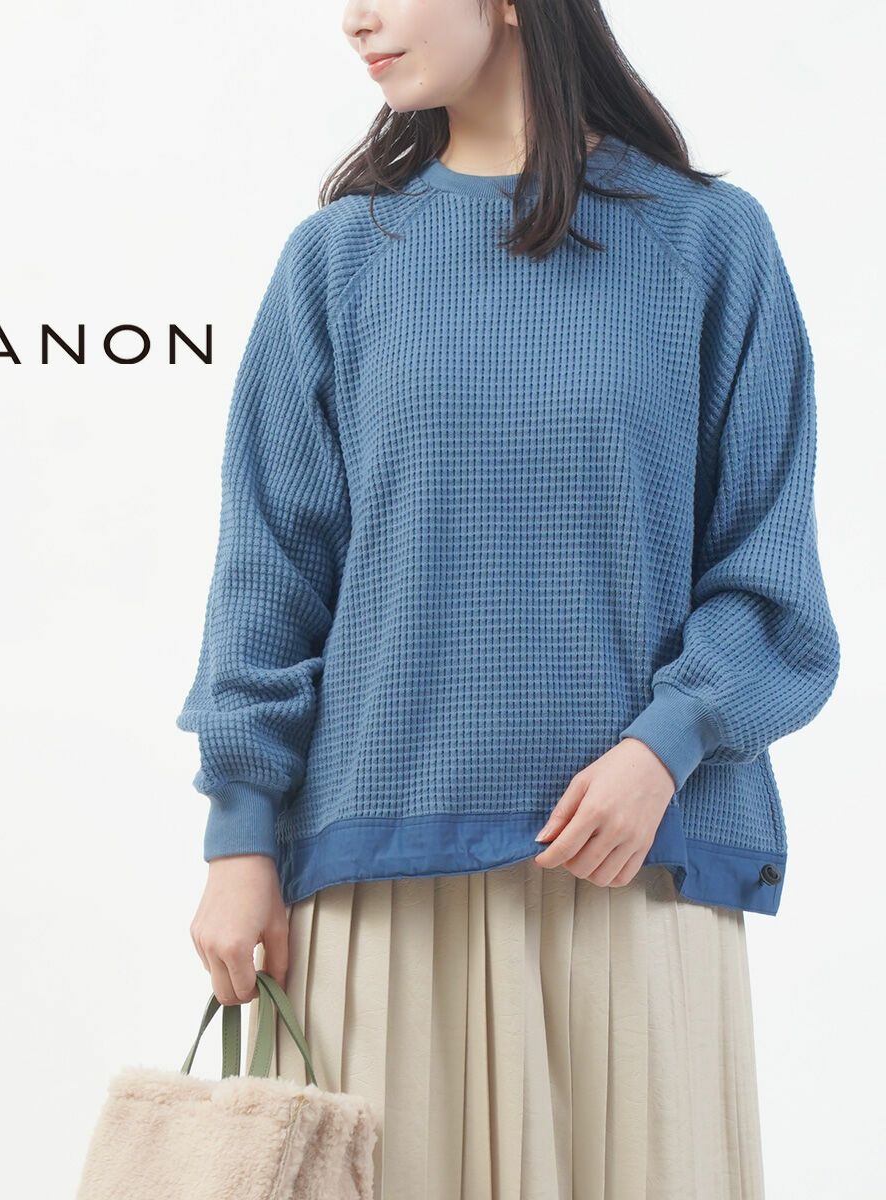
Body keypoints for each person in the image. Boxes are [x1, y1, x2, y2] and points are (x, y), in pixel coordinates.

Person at [178, 2, 841, 1196]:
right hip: (376, 877)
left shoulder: (707, 244)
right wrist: (239, 840)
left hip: (638, 875)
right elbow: (270, 573)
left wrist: (664, 747)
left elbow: (768, 569)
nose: (354, 18)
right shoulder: (338, 260)